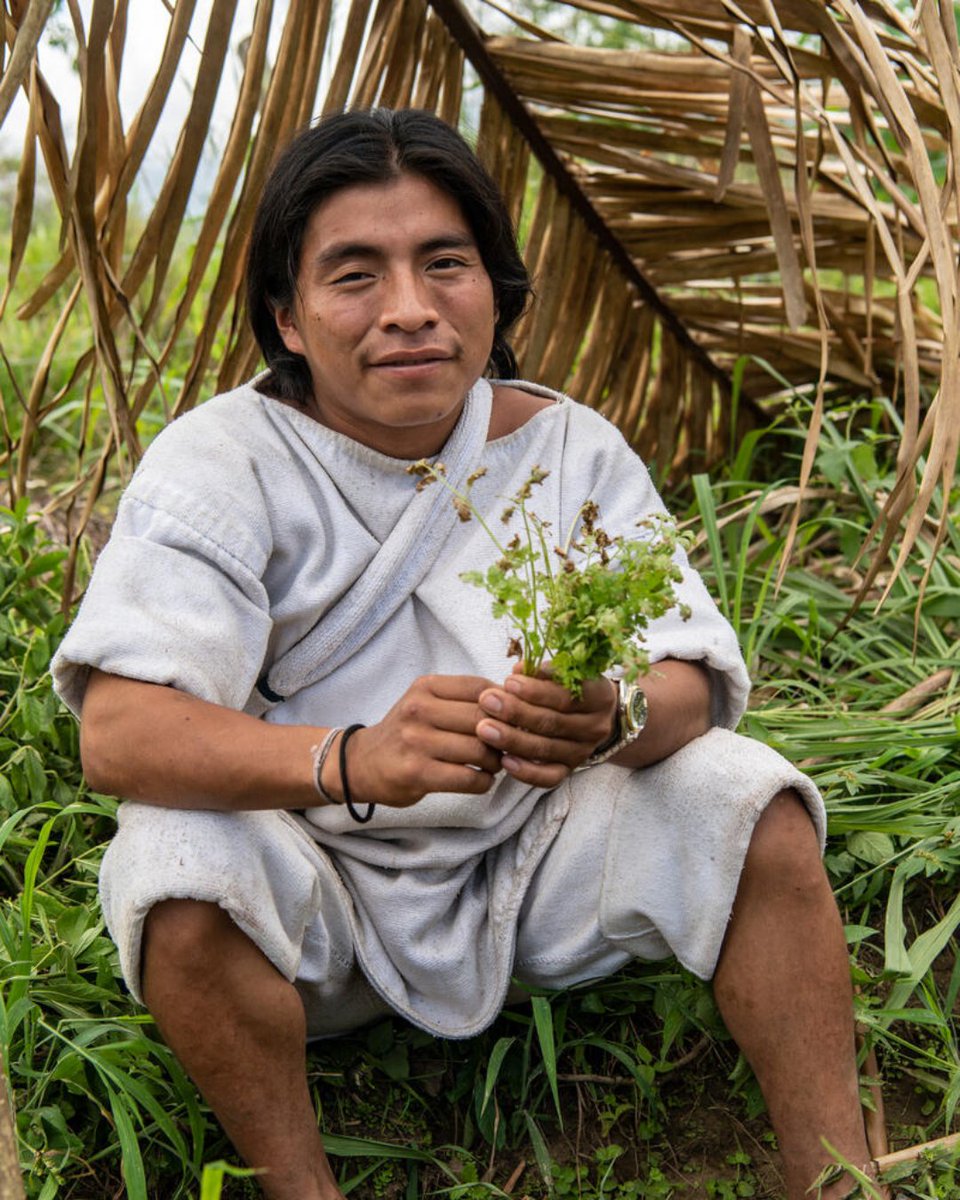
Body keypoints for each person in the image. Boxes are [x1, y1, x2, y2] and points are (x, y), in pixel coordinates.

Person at [52, 108, 880, 1200]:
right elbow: (118, 730)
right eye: (355, 274)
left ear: (495, 290)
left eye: (445, 263)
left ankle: (841, 1178)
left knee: (748, 795)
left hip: (543, 864)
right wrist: (350, 760)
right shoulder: (223, 460)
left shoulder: (565, 445)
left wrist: (613, 719)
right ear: (286, 318)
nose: (409, 310)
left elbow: (691, 673)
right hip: (315, 899)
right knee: (173, 859)